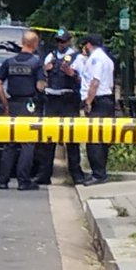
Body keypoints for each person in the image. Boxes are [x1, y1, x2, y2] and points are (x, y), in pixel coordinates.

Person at [0, 30, 47, 191]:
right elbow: (40, 86)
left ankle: (3, 180)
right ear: (35, 44)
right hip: (29, 105)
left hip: (13, 104)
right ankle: (23, 181)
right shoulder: (36, 62)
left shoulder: (9, 62)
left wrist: (5, 104)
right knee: (27, 143)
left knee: (10, 143)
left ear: (23, 42)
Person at [43, 29, 84, 184]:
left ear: (69, 41)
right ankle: (45, 173)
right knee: (48, 138)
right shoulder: (50, 56)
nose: (60, 44)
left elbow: (83, 80)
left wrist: (71, 73)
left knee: (72, 138)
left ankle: (76, 174)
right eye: (58, 41)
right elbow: (43, 77)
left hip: (69, 100)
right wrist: (45, 71)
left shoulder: (77, 58)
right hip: (53, 100)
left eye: (63, 41)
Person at [78, 33, 115, 185]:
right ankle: (100, 172)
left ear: (89, 45)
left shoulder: (96, 59)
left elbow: (95, 82)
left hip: (98, 101)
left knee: (94, 139)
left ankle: (98, 174)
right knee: (102, 138)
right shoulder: (106, 58)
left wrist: (88, 101)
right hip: (106, 100)